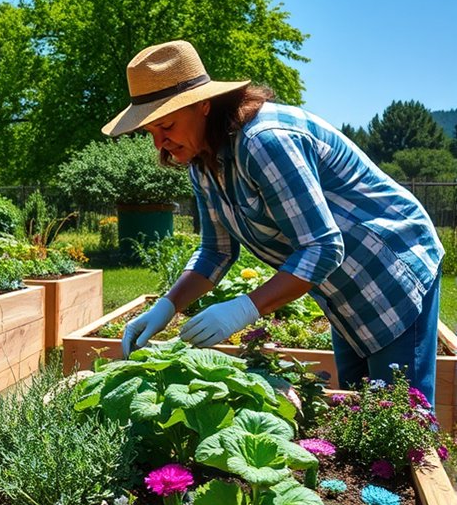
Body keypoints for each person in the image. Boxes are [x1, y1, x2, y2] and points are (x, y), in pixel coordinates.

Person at [103, 40, 444, 404]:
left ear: (202, 105)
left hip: (390, 270)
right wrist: (166, 306)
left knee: (402, 416)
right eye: (150, 131)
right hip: (341, 290)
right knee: (359, 411)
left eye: (166, 125)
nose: (161, 143)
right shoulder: (203, 163)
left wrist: (243, 309)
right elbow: (215, 252)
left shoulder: (264, 141)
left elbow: (323, 246)